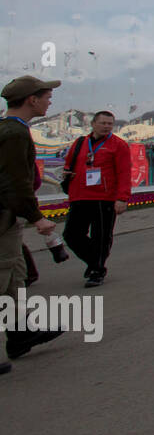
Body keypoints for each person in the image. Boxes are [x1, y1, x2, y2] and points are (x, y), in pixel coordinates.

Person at [0, 76, 67, 373]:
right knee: (3, 277)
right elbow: (15, 183)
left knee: (15, 278)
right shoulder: (14, 133)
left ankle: (20, 334)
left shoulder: (12, 129)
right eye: (47, 96)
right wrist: (36, 217)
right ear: (32, 100)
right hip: (4, 217)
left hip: (9, 217)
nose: (50, 101)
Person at [61, 110, 132, 288]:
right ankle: (95, 262)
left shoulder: (118, 145)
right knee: (71, 234)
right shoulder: (79, 143)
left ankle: (97, 270)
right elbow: (69, 163)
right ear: (93, 124)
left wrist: (122, 198)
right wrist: (67, 173)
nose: (107, 126)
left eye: (110, 124)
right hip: (80, 196)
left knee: (101, 236)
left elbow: (124, 173)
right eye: (103, 123)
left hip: (104, 198)